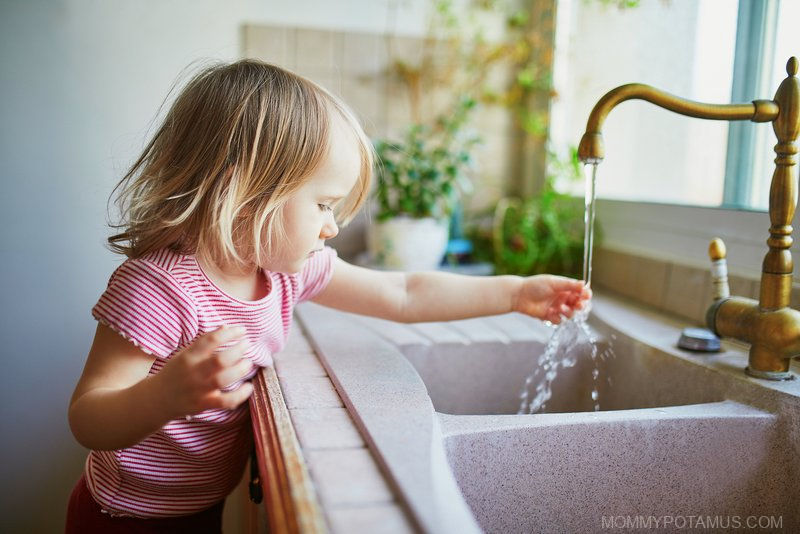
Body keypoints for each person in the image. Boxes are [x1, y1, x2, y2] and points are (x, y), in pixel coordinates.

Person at [66, 59, 591, 533]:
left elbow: (403, 292)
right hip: (124, 516)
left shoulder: (284, 273)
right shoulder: (159, 288)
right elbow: (88, 417)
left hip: (200, 507)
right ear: (245, 194)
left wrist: (515, 292)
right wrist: (166, 396)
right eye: (322, 204)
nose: (331, 228)